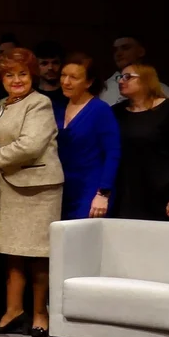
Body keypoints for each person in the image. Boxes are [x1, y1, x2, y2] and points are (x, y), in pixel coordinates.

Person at [0, 48, 63, 337]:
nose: (16, 80)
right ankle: (13, 310)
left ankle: (41, 313)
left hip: (39, 189)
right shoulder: (0, 105)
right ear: (1, 79)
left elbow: (31, 145)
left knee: (38, 254)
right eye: (9, 75)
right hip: (8, 187)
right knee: (12, 253)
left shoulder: (39, 103)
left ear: (33, 76)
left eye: (22, 74)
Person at [111, 63, 169, 221]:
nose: (120, 81)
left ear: (146, 80)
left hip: (162, 194)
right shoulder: (116, 112)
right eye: (120, 77)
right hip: (125, 194)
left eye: (127, 77)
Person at [56, 53, 120, 221]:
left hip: (91, 190)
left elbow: (112, 153)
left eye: (74, 77)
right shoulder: (58, 108)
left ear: (89, 82)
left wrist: (103, 194)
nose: (66, 82)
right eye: (63, 75)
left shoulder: (100, 110)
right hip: (62, 189)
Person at [101, 35, 169, 105]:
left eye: (126, 48)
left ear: (141, 51)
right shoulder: (103, 89)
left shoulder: (162, 89)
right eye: (115, 50)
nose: (118, 54)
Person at [34, 40, 66, 107]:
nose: (50, 67)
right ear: (36, 65)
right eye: (44, 63)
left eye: (55, 63)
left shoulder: (68, 93)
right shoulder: (30, 93)